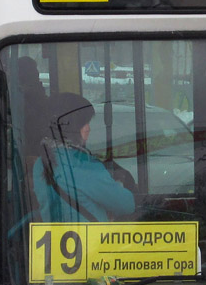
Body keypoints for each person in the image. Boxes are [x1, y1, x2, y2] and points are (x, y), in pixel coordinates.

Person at [34, 93, 136, 223]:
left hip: (54, 239)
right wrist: (118, 184)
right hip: (87, 241)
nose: (88, 129)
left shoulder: (41, 162)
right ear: (71, 127)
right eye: (84, 123)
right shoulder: (82, 165)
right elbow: (126, 205)